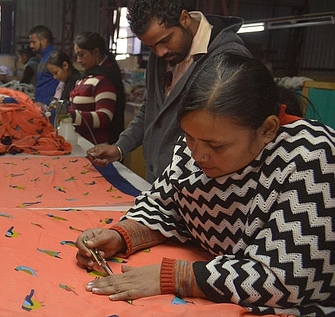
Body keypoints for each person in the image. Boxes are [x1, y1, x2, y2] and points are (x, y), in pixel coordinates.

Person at [76, 53, 335, 316]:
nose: (198, 155)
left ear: (267, 129)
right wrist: (122, 235)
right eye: (189, 137)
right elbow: (165, 205)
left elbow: (286, 279)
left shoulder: (312, 156)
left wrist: (180, 276)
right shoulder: (199, 142)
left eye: (217, 146)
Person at [87, 0, 251, 182]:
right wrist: (120, 147)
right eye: (151, 46)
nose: (160, 52)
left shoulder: (227, 59)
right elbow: (151, 111)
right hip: (158, 182)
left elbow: (230, 136)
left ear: (184, 18)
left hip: (199, 186)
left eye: (165, 40)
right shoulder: (162, 56)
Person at [71, 32, 126, 144]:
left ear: (95, 52)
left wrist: (71, 116)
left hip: (97, 145)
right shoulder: (90, 75)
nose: (78, 60)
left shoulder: (105, 80)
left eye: (81, 55)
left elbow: (104, 117)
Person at [29, 25, 58, 105]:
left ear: (44, 41)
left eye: (33, 42)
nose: (31, 46)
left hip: (48, 107)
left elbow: (59, 85)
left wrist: (48, 105)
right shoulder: (44, 58)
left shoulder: (53, 58)